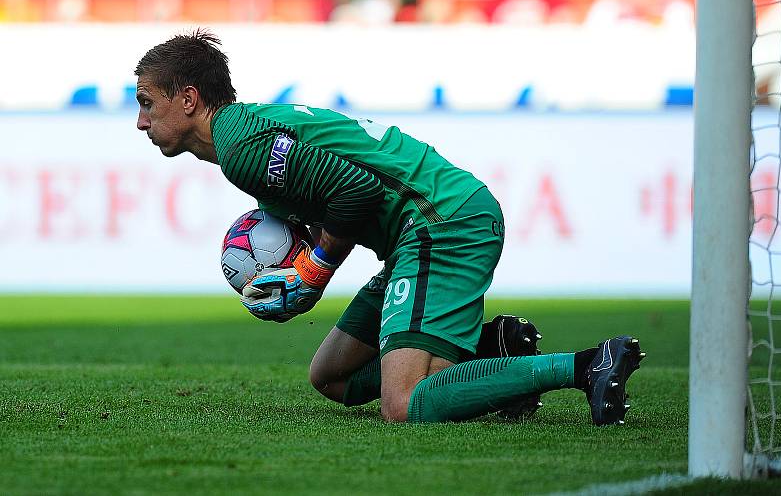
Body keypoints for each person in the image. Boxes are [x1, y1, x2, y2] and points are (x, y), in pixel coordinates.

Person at [133, 30, 645, 424]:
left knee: (404, 404)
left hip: (441, 223)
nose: (141, 121)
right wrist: (300, 260)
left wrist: (312, 269)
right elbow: (341, 198)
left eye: (147, 102)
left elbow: (356, 193)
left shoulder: (243, 150)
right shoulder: (244, 135)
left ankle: (586, 365)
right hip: (416, 233)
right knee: (332, 376)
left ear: (189, 98)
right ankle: (495, 350)